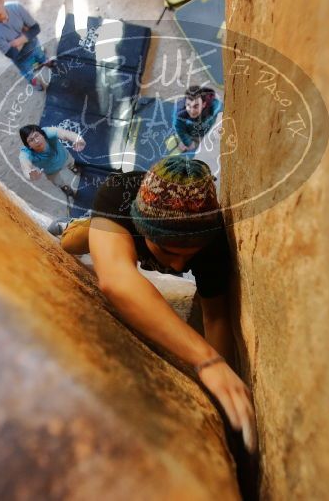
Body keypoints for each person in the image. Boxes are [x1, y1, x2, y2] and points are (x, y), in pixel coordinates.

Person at [53, 157, 257, 453]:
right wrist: (206, 360)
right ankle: (85, 225)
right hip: (118, 223)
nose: (177, 264)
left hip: (145, 230)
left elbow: (216, 318)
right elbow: (115, 280)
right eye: (168, 251)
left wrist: (221, 391)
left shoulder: (213, 246)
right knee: (72, 243)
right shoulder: (117, 195)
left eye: (189, 256)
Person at [0, 0, 53, 91]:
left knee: (41, 55)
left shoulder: (16, 7)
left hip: (34, 45)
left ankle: (45, 62)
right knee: (28, 73)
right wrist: (26, 34)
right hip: (21, 58)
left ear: (2, 0)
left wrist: (16, 42)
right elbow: (12, 54)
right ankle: (34, 82)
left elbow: (36, 28)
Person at [19, 124, 86, 197]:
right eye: (31, 140)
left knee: (71, 163)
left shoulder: (48, 131)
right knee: (57, 181)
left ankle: (72, 167)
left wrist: (78, 139)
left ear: (42, 134)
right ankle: (64, 186)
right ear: (28, 145)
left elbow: (65, 134)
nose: (37, 141)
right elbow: (25, 165)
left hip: (64, 158)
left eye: (37, 135)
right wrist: (30, 175)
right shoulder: (25, 152)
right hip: (51, 171)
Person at [172, 86, 223, 154]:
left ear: (204, 104)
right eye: (188, 105)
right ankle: (184, 144)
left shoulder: (215, 107)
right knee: (186, 144)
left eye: (196, 106)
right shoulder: (180, 115)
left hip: (205, 133)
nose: (192, 111)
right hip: (190, 133)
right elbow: (180, 130)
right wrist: (188, 143)